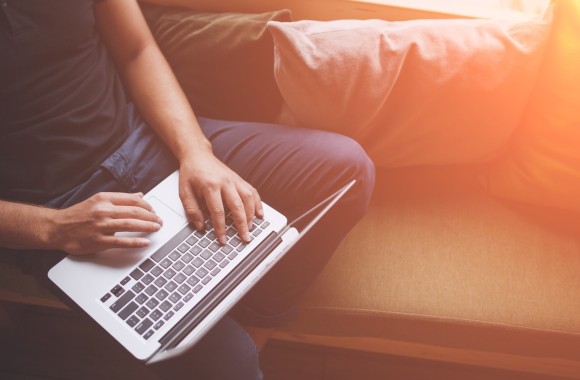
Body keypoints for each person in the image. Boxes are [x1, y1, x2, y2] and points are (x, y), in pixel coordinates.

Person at [0, 1, 375, 379]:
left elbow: (136, 51)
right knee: (232, 365)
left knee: (347, 170)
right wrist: (54, 227)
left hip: (144, 136)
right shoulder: (54, 223)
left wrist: (195, 150)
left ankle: (254, 324)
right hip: (56, 208)